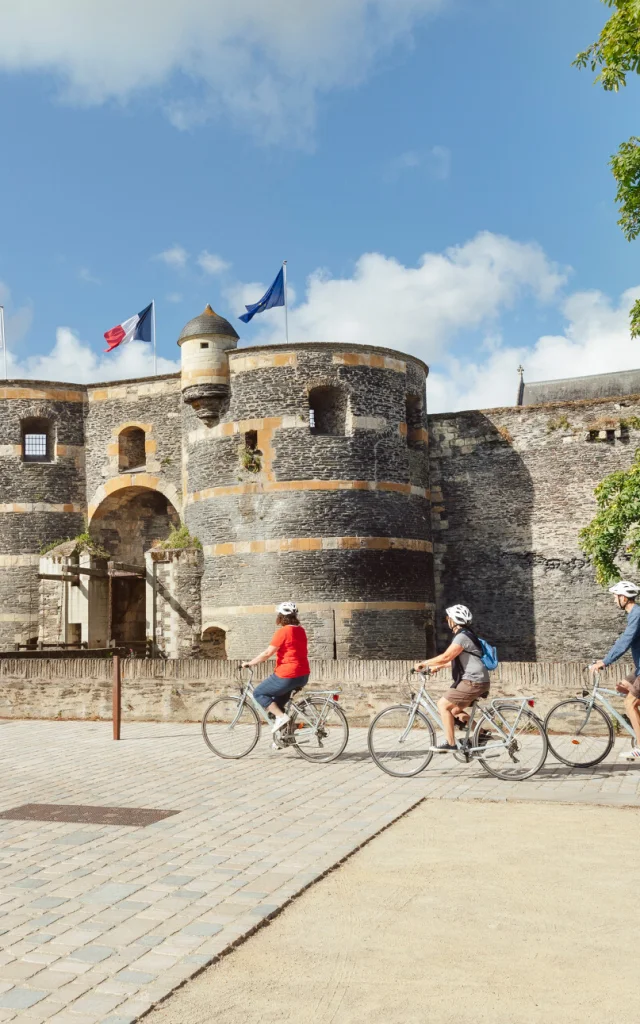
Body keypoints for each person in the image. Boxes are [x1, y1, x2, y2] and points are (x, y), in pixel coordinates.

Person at [414, 604, 490, 753]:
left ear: (453, 620)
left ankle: (451, 743)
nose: (447, 620)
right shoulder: (467, 634)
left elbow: (446, 656)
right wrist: (439, 667)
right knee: (454, 711)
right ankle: (481, 734)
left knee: (443, 705)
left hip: (473, 681)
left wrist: (423, 664)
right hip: (478, 680)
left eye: (448, 618)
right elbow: (457, 660)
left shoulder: (461, 637)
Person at [242, 601, 310, 742]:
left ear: (281, 616)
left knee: (259, 693)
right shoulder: (301, 630)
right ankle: (285, 738)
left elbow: (267, 653)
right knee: (277, 705)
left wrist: (250, 663)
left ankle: (282, 717)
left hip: (287, 674)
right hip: (303, 675)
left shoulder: (283, 631)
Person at [589, 580, 640, 761]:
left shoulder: (637, 614)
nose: (613, 600)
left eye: (615, 597)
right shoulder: (634, 613)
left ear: (624, 598)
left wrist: (605, 661)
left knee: (629, 703)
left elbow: (624, 642)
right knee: (621, 687)